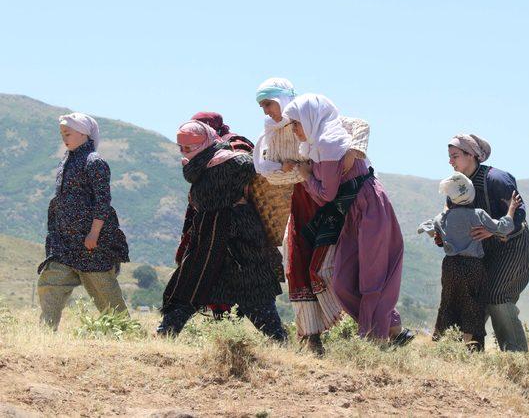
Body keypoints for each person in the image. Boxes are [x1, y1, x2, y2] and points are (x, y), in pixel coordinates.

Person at [282, 93, 413, 344]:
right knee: (343, 280)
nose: (294, 129)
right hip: (352, 213)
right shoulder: (317, 143)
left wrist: (305, 175)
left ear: (310, 119)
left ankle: (375, 339)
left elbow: (326, 195)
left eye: (296, 123)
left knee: (371, 276)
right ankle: (390, 329)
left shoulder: (328, 145)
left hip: (369, 208)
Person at [254, 78, 370, 354]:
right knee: (296, 264)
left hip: (330, 202)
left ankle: (350, 329)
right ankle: (311, 336)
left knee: (329, 265)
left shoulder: (310, 117)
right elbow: (271, 173)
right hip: (303, 200)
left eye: (268, 103)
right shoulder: (270, 132)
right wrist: (300, 172)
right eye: (262, 106)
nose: (266, 111)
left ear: (282, 100)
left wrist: (353, 152)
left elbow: (360, 126)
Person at [157, 119, 287, 341]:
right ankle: (165, 336)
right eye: (182, 148)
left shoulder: (231, 161)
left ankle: (279, 341)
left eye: (190, 147)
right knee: (191, 287)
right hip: (212, 238)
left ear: (205, 141)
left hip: (238, 238)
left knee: (252, 294)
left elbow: (258, 167)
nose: (186, 152)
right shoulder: (202, 165)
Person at [37, 112, 129, 330]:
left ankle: (126, 335)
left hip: (91, 245)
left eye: (67, 133)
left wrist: (94, 233)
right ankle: (45, 335)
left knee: (106, 295)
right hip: (64, 243)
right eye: (61, 133)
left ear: (84, 134)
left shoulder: (95, 162)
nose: (64, 137)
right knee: (50, 283)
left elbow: (103, 201)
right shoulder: (65, 162)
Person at [447, 134, 529, 351]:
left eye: (455, 156)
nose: (451, 162)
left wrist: (492, 230)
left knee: (496, 294)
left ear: (472, 155)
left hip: (511, 248)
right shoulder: (455, 187)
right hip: (481, 252)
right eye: (449, 157)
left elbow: (518, 214)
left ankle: (517, 358)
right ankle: (470, 354)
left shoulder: (497, 179)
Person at [424, 172, 522, 350]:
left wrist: (438, 235)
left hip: (450, 266)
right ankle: (470, 348)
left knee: (448, 302)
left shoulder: (442, 218)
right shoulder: (478, 215)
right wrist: (511, 209)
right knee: (472, 305)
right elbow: (504, 228)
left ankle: (441, 345)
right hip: (473, 267)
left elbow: (429, 227)